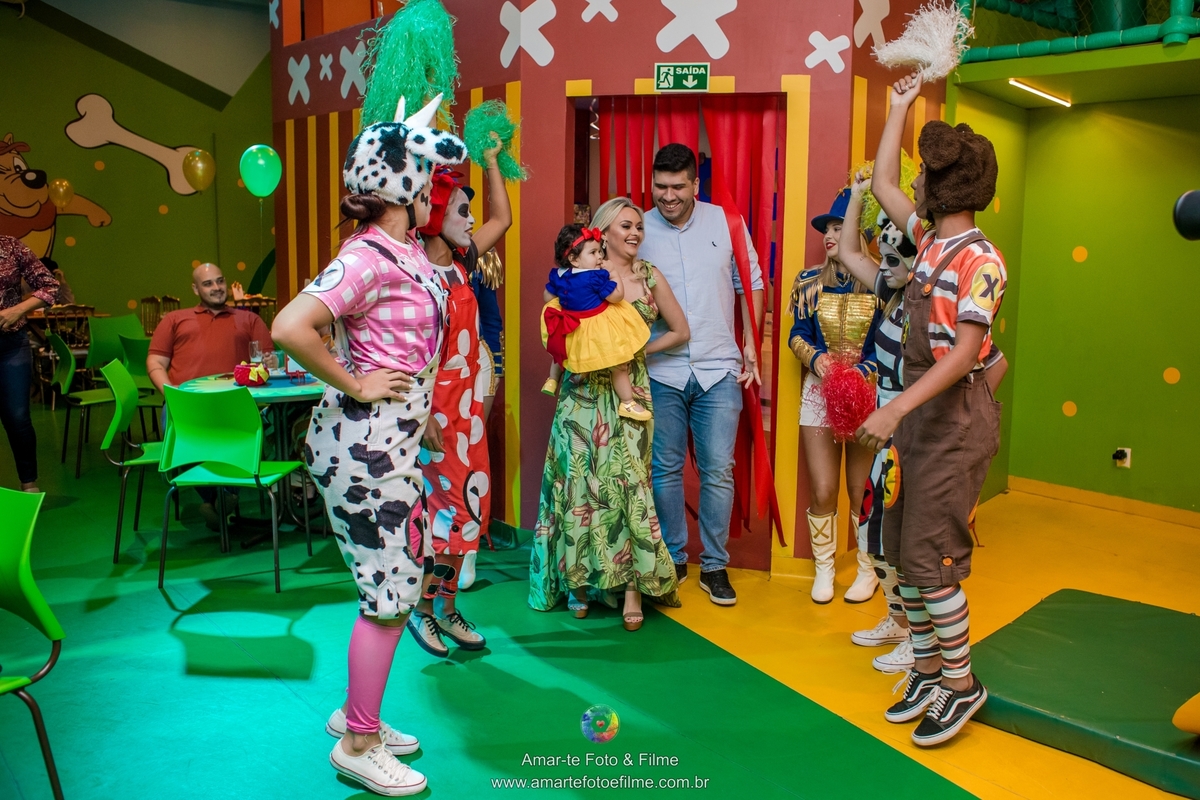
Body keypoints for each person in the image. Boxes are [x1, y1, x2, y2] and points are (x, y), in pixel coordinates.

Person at [272, 92, 467, 796]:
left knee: (396, 579)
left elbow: (406, 345)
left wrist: (423, 413)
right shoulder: (367, 257)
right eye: (431, 182)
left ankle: (361, 715)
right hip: (364, 448)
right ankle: (357, 742)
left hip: (390, 440)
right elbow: (290, 327)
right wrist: (356, 382)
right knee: (391, 590)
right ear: (408, 188)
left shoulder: (403, 250)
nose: (437, 193)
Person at [858, 72, 1006, 747]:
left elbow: (965, 353)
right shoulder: (930, 239)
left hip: (953, 421)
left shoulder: (980, 259)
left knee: (933, 558)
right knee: (900, 549)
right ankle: (926, 668)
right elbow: (883, 184)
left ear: (944, 188)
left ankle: (961, 683)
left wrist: (893, 412)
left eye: (923, 175)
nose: (912, 182)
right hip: (919, 416)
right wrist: (897, 107)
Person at [530, 197, 689, 630]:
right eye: (626, 226)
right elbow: (551, 321)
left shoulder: (647, 276)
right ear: (601, 234)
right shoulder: (574, 277)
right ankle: (578, 582)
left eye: (639, 226)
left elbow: (680, 330)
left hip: (627, 391)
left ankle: (632, 588)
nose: (635, 232)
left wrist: (633, 349)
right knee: (577, 484)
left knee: (628, 484)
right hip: (580, 391)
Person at [638, 143, 763, 606]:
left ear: (695, 184)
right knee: (664, 469)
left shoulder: (725, 223)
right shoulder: (638, 228)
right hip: (660, 368)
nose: (668, 196)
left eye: (677, 186)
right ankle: (673, 557)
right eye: (660, 186)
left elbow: (751, 283)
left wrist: (752, 343)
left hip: (718, 366)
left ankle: (714, 565)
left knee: (718, 470)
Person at [407, 144, 512, 657]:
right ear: (434, 218)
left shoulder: (464, 261)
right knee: (441, 518)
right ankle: (422, 611)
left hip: (468, 409)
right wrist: (424, 413)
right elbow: (408, 354)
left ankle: (447, 609)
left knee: (468, 512)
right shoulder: (415, 274)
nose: (472, 221)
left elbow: (502, 219)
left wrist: (491, 161)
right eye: (461, 211)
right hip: (436, 414)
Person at [788, 188, 882, 605]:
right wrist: (817, 360)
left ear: (859, 233)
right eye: (827, 228)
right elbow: (797, 334)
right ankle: (824, 568)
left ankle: (868, 569)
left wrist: (862, 372)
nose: (829, 235)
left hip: (866, 395)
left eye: (839, 227)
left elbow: (888, 345)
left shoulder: (881, 284)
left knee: (861, 489)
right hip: (819, 393)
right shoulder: (808, 282)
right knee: (824, 489)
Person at [147, 261, 276, 529]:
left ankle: (222, 497)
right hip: (187, 404)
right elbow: (156, 363)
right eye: (207, 283)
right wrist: (170, 393)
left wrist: (269, 365)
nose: (216, 287)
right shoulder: (174, 319)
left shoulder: (250, 319)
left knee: (256, 428)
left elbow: (268, 363)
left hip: (236, 403)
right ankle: (216, 498)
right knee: (176, 427)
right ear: (195, 289)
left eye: (220, 281)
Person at [540, 224, 651, 420]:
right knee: (619, 364)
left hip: (572, 326)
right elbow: (616, 296)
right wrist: (614, 273)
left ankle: (552, 380)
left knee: (561, 352)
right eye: (593, 252)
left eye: (600, 251)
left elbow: (547, 296)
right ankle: (627, 403)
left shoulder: (560, 275)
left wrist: (566, 301)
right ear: (574, 259)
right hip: (596, 329)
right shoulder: (595, 277)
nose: (600, 256)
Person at [0, 235, 58, 492]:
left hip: (11, 345)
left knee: (17, 416)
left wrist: (17, 310)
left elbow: (50, 286)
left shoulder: (11, 246)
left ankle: (29, 483)